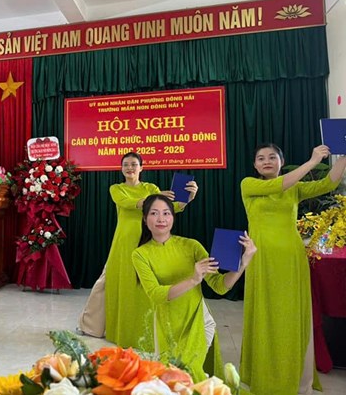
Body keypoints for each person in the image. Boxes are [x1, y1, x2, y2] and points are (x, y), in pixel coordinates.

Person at [240, 144, 346, 395]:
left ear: (281, 160)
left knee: (291, 313)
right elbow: (279, 185)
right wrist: (312, 162)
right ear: (254, 165)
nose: (266, 161)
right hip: (262, 258)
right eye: (261, 158)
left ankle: (296, 375)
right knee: (265, 311)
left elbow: (329, 183)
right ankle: (264, 372)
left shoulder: (294, 188)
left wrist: (342, 155)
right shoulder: (249, 185)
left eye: (272, 157)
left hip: (291, 259)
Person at [79, 151, 198, 346]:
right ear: (121, 169)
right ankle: (103, 327)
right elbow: (130, 203)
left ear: (141, 168)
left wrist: (187, 198)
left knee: (144, 286)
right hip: (124, 244)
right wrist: (155, 197)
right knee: (117, 284)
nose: (130, 168)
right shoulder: (117, 189)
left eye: (134, 164)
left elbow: (168, 209)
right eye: (126, 164)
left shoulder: (150, 188)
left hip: (148, 241)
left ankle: (144, 331)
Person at [132, 194, 256, 382]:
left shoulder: (192, 246)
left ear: (173, 217)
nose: (161, 219)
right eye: (154, 213)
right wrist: (193, 279)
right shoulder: (140, 254)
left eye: (166, 213)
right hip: (167, 327)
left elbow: (220, 286)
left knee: (189, 375)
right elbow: (156, 295)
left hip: (198, 322)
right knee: (172, 381)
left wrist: (243, 263)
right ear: (144, 219)